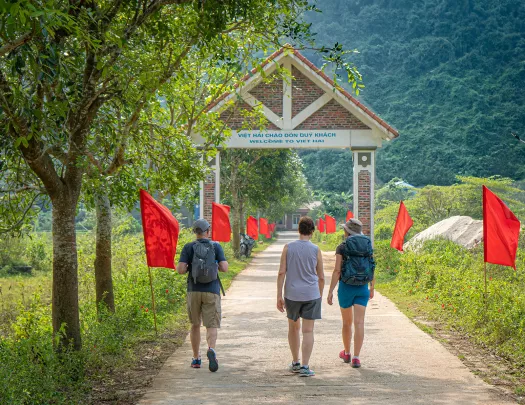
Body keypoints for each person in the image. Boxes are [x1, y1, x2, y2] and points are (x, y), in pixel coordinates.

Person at [177, 218, 229, 372]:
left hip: (193, 290)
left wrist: (189, 267)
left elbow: (180, 269)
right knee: (211, 324)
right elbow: (225, 268)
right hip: (211, 291)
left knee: (195, 324)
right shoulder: (216, 246)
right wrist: (215, 264)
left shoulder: (188, 247)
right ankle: (211, 349)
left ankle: (196, 358)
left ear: (195, 232)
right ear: (208, 231)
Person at [277, 216, 324, 377]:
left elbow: (282, 272)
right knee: (308, 331)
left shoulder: (288, 247)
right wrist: (319, 294)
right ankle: (305, 366)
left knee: (293, 328)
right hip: (312, 294)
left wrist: (279, 295)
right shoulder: (316, 249)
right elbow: (322, 276)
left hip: (292, 294)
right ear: (312, 231)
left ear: (299, 230)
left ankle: (295, 362)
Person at [327, 218, 375, 368]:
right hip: (362, 288)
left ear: (347, 231)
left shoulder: (342, 247)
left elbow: (337, 270)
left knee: (347, 322)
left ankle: (347, 353)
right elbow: (372, 267)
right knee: (359, 322)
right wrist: (372, 287)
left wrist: (330, 291)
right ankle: (356, 357)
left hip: (346, 287)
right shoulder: (367, 244)